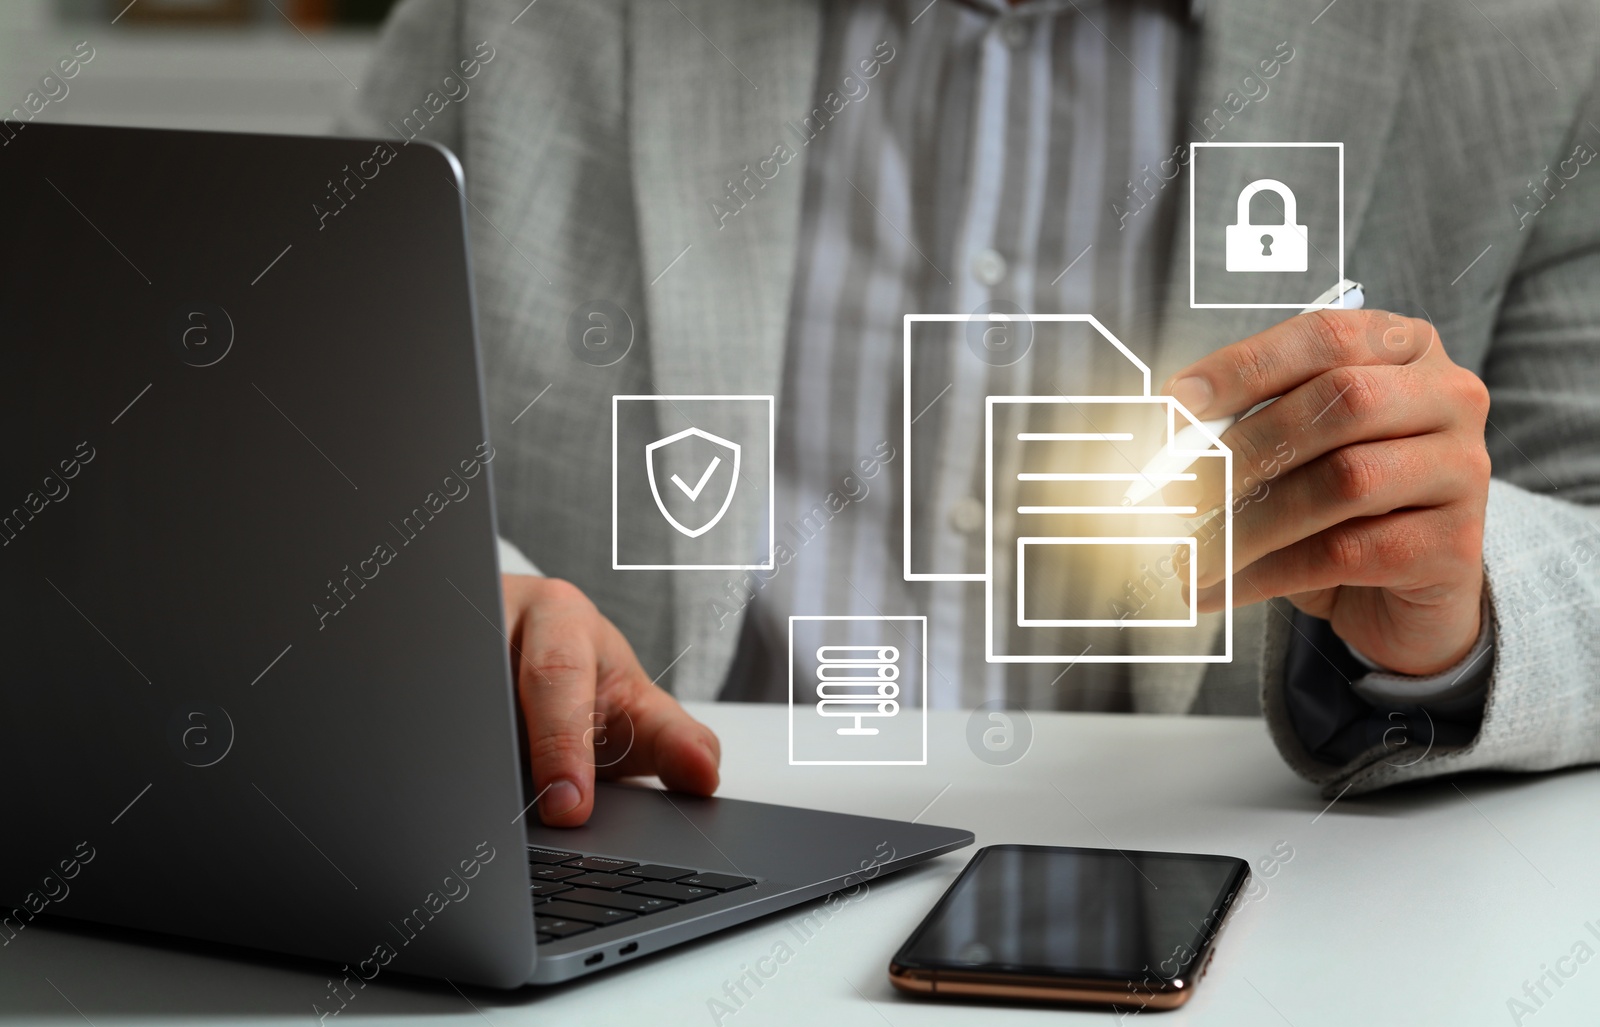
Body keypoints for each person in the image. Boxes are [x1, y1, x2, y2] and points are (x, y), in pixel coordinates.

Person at [341, 0, 1600, 826]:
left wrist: (1452, 608)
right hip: (634, 871)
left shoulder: (1530, 45)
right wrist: (465, 597)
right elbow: (321, 439)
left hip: (1253, 927)